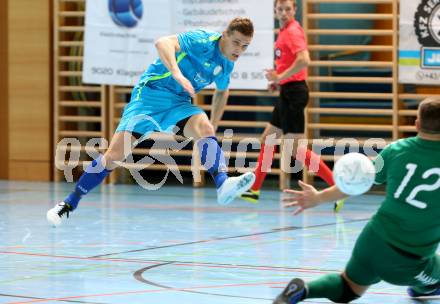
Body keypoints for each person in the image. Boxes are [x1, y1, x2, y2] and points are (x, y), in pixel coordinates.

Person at [47, 17, 256, 226]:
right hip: (149, 95)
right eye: (236, 42)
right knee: (114, 156)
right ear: (225, 35)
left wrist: (213, 129)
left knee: (204, 127)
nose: (239, 50)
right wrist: (176, 73)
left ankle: (222, 185)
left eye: (245, 46)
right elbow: (162, 43)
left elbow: (222, 92)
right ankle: (68, 203)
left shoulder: (226, 63)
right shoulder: (202, 40)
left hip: (178, 103)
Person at [273, 97, 440, 303]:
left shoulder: (396, 150)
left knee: (347, 287)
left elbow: (357, 184)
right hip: (409, 256)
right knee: (434, 278)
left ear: (416, 124)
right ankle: (422, 287)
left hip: (373, 237)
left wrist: (318, 197)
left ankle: (304, 289)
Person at [240, 0, 338, 210]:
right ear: (275, 11)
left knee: (296, 151)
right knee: (268, 139)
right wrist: (280, 82)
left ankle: (337, 189)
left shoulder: (293, 31)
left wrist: (280, 77)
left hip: (295, 93)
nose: (284, 13)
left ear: (295, 10)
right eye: (280, 9)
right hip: (287, 91)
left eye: (288, 9)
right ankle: (254, 189)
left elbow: (304, 60)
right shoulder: (284, 31)